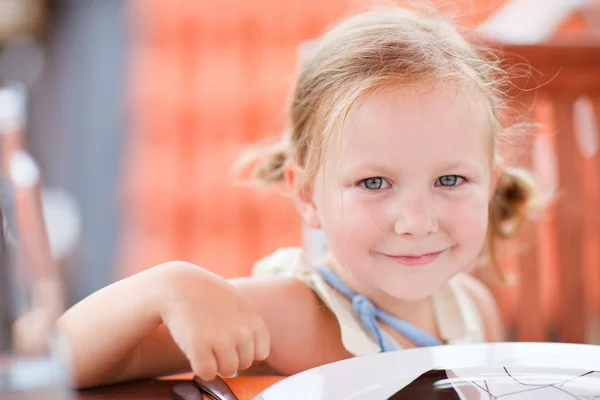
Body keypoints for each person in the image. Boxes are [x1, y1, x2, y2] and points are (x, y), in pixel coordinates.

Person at [57, 5, 543, 389]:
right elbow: (58, 362)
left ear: (492, 182)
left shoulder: (474, 309)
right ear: (307, 193)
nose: (416, 221)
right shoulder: (286, 314)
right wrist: (162, 287)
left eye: (451, 180)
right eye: (375, 183)